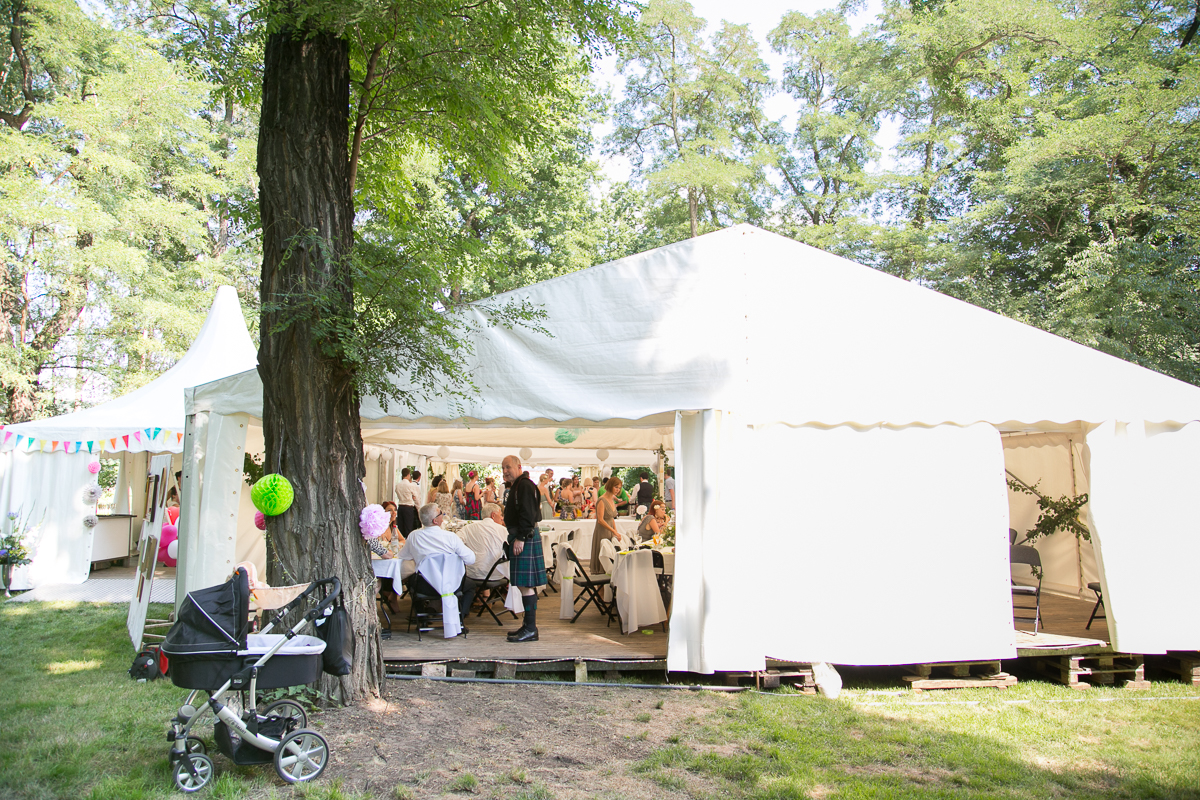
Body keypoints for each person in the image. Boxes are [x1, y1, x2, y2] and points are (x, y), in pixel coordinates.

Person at [396, 503, 477, 632]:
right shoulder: (451, 537)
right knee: (470, 586)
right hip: (451, 584)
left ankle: (422, 619)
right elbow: (471, 559)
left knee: (411, 580)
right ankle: (460, 620)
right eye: (441, 514)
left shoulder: (414, 536)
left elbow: (403, 556)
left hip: (424, 585)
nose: (443, 516)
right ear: (435, 520)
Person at [502, 454, 546, 642]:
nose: (505, 471)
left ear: (518, 467)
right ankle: (528, 626)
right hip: (522, 536)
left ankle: (530, 628)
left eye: (508, 467)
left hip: (524, 537)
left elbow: (528, 514)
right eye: (503, 468)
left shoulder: (525, 486)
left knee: (526, 585)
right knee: (525, 585)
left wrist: (520, 538)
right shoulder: (520, 485)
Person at [457, 502, 509, 591]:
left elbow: (456, 542)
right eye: (500, 515)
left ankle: (481, 597)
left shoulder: (467, 528)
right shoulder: (503, 530)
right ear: (493, 515)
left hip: (472, 573)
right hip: (496, 574)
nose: (502, 518)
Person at [592, 476, 623, 568]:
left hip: (610, 529)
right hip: (602, 530)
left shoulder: (612, 499)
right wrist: (613, 531)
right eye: (616, 487)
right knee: (603, 552)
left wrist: (615, 531)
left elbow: (611, 517)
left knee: (610, 553)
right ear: (610, 486)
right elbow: (600, 520)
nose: (617, 490)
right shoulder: (602, 500)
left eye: (619, 488)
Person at [393, 467, 420, 536]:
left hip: (401, 507)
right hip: (408, 507)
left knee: (401, 527)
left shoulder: (398, 485)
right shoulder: (410, 485)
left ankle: (401, 542)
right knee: (408, 527)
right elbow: (416, 497)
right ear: (408, 475)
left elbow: (397, 493)